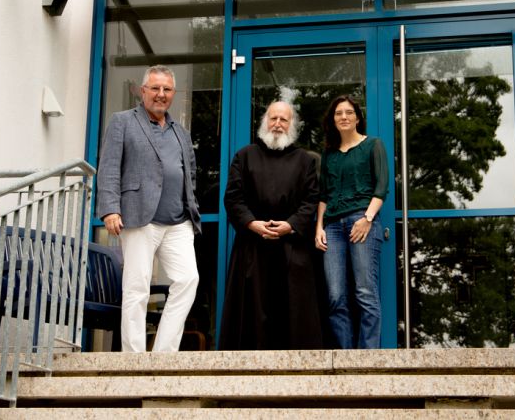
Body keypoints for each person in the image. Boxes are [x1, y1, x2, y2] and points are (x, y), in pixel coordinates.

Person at [97, 65, 201, 352]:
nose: (161, 94)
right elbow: (109, 167)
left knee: (188, 280)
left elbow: (189, 173)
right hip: (139, 218)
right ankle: (134, 360)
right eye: (155, 88)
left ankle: (162, 355)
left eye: (167, 89)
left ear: (174, 93)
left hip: (178, 222)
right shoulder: (122, 121)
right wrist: (110, 208)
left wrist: (191, 208)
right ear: (143, 91)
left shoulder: (181, 132)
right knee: (137, 287)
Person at [220, 101, 324, 350]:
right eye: (273, 118)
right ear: (265, 121)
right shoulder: (244, 156)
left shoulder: (305, 161)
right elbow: (233, 198)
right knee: (252, 314)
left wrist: (290, 225)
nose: (277, 124)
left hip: (292, 248)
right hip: (252, 247)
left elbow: (311, 201)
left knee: (294, 315)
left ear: (292, 125)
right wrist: (252, 223)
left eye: (283, 119)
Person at [314, 95, 388, 349]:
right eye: (338, 113)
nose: (343, 117)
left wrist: (367, 219)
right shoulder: (329, 154)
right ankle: (345, 356)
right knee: (335, 295)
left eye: (349, 112)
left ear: (357, 118)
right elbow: (324, 196)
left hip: (361, 221)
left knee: (365, 291)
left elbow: (381, 187)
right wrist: (319, 227)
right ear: (333, 120)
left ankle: (368, 357)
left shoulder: (373, 145)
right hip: (332, 227)